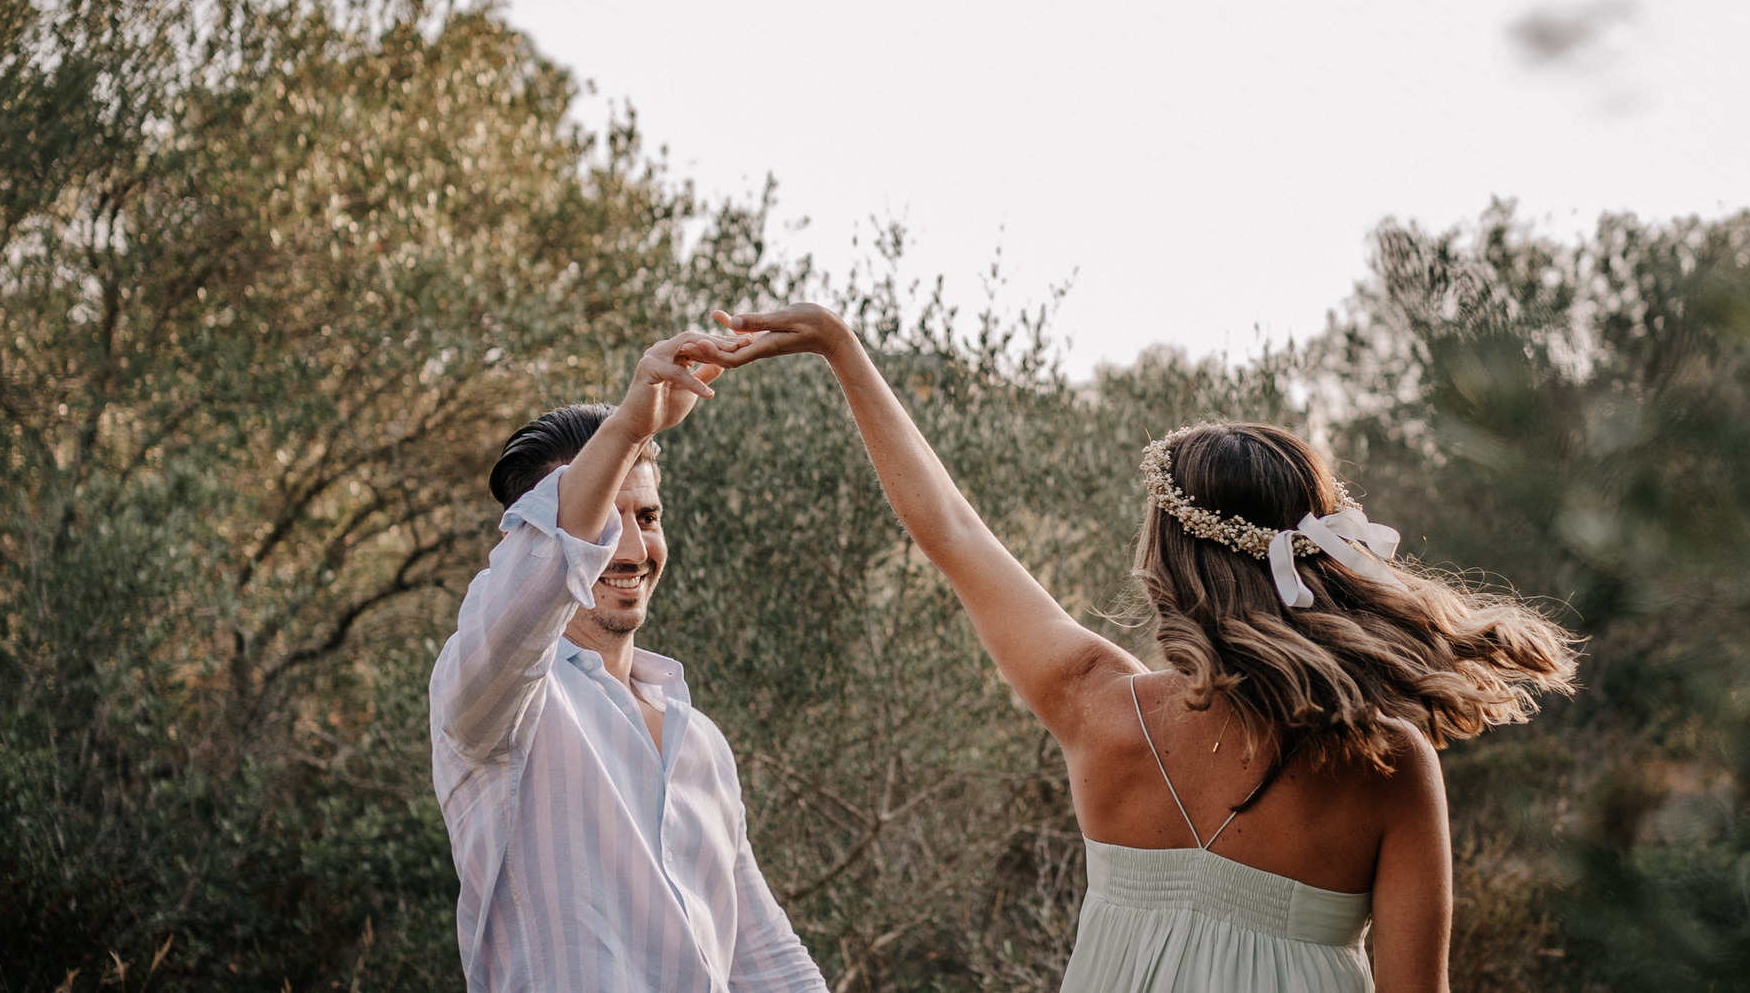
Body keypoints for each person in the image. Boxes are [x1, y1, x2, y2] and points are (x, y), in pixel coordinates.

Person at [697, 304, 1578, 993]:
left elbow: (953, 533)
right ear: (1319, 554)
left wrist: (844, 350)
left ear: (1168, 561)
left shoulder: (1096, 708)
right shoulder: (1387, 765)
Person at [428, 332, 828, 993]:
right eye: (606, 522)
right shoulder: (493, 700)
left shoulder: (700, 742)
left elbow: (771, 967)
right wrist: (627, 424)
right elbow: (538, 579)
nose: (633, 547)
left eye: (648, 515)